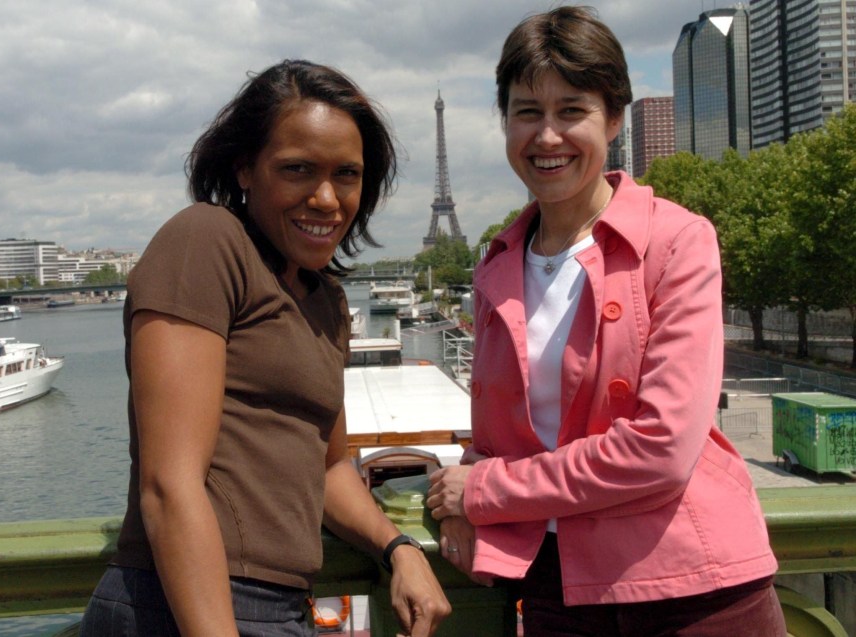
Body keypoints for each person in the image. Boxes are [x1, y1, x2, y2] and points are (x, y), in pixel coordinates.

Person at [425, 7, 786, 636]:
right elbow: (502, 436)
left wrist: (485, 492)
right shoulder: (497, 263)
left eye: (572, 111)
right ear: (504, 121)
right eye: (527, 112)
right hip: (556, 587)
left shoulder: (677, 242)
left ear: (613, 118)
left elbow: (661, 450)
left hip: (689, 584)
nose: (547, 137)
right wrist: (459, 497)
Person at [80, 59, 450, 637]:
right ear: (245, 168)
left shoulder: (327, 300)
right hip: (182, 605)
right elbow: (169, 486)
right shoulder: (206, 241)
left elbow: (328, 469)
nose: (327, 198)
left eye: (347, 175)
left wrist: (397, 546)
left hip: (281, 611)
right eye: (298, 169)